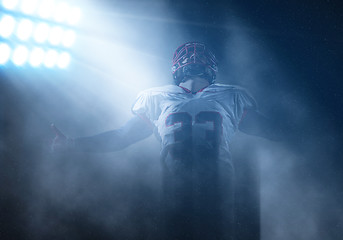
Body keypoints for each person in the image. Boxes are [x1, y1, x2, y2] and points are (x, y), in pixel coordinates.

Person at [51, 42, 284, 240]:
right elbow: (273, 129)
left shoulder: (157, 98)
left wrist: (72, 143)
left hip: (177, 192)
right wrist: (311, 138)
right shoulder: (230, 96)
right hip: (217, 193)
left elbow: (120, 137)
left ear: (177, 69)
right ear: (211, 69)